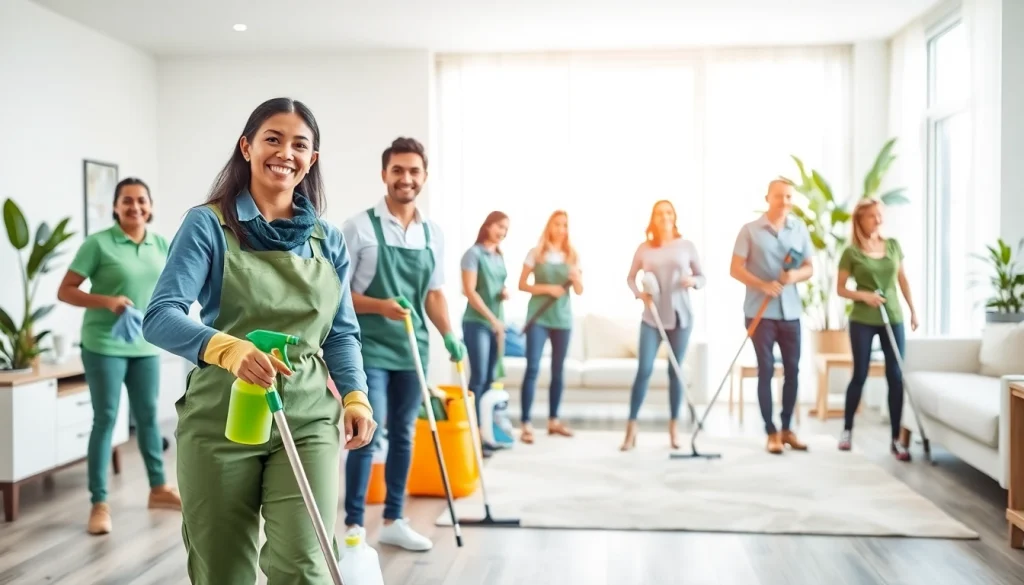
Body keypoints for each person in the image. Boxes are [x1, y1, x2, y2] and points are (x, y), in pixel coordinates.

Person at [141, 97, 376, 583]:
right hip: (223, 417)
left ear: (312, 159)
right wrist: (229, 348)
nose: (285, 152)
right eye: (272, 138)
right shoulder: (207, 223)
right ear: (247, 147)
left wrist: (355, 396)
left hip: (309, 415)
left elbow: (342, 333)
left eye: (299, 144)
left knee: (304, 563)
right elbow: (160, 316)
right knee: (222, 564)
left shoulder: (326, 239)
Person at [340, 136, 465, 552]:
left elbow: (433, 293)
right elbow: (336, 296)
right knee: (366, 433)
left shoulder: (433, 233)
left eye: (414, 171)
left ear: (424, 177)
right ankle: (355, 526)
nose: (405, 178)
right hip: (367, 348)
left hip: (413, 348)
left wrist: (450, 335)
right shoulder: (358, 228)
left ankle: (394, 518)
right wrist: (379, 305)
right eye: (398, 170)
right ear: (384, 175)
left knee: (406, 434)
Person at [57, 177, 180, 535]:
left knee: (147, 417)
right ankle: (99, 502)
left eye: (142, 200)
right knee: (106, 418)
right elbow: (65, 290)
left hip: (145, 345)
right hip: (103, 345)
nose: (135, 207)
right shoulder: (98, 244)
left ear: (151, 206)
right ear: (115, 206)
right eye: (127, 201)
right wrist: (106, 301)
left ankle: (158, 488)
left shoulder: (161, 245)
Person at [730, 179, 814, 455]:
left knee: (793, 370)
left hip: (791, 313)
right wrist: (762, 284)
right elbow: (735, 269)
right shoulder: (750, 231)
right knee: (765, 369)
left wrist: (793, 276)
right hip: (760, 312)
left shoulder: (799, 229)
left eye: (789, 197)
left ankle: (787, 428)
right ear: (768, 198)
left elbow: (809, 268)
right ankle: (771, 431)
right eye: (779, 197)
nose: (785, 202)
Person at [835, 198, 919, 459]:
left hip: (892, 317)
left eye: (879, 215)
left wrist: (913, 310)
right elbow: (840, 289)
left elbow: (902, 280)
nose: (877, 220)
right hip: (862, 319)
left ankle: (896, 439)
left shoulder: (892, 245)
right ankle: (847, 431)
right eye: (872, 216)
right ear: (860, 219)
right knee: (859, 373)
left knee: (895, 375)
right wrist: (864, 296)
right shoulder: (851, 252)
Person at [621, 200, 705, 451]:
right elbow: (630, 278)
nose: (664, 217)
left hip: (680, 318)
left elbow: (702, 277)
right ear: (653, 219)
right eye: (659, 213)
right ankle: (631, 428)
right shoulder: (644, 248)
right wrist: (639, 294)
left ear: (674, 216)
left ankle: (674, 430)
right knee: (644, 370)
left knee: (675, 373)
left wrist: (693, 281)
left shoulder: (686, 246)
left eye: (668, 212)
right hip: (652, 317)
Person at [517, 210, 583, 444]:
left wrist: (576, 280)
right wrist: (547, 288)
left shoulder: (572, 255)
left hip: (562, 320)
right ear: (549, 226)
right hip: (539, 317)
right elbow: (522, 284)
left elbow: (579, 290)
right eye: (557, 224)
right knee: (533, 368)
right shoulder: (535, 253)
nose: (561, 229)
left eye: (565, 225)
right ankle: (525, 423)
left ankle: (553, 420)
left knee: (558, 371)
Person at [460, 211, 510, 445]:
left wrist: (503, 293)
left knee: (491, 378)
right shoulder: (473, 254)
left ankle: (488, 433)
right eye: (499, 226)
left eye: (506, 229)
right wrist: (492, 319)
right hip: (477, 323)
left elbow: (495, 285)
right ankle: (473, 434)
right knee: (478, 378)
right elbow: (469, 292)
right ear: (487, 226)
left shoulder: (498, 256)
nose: (502, 232)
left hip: (496, 323)